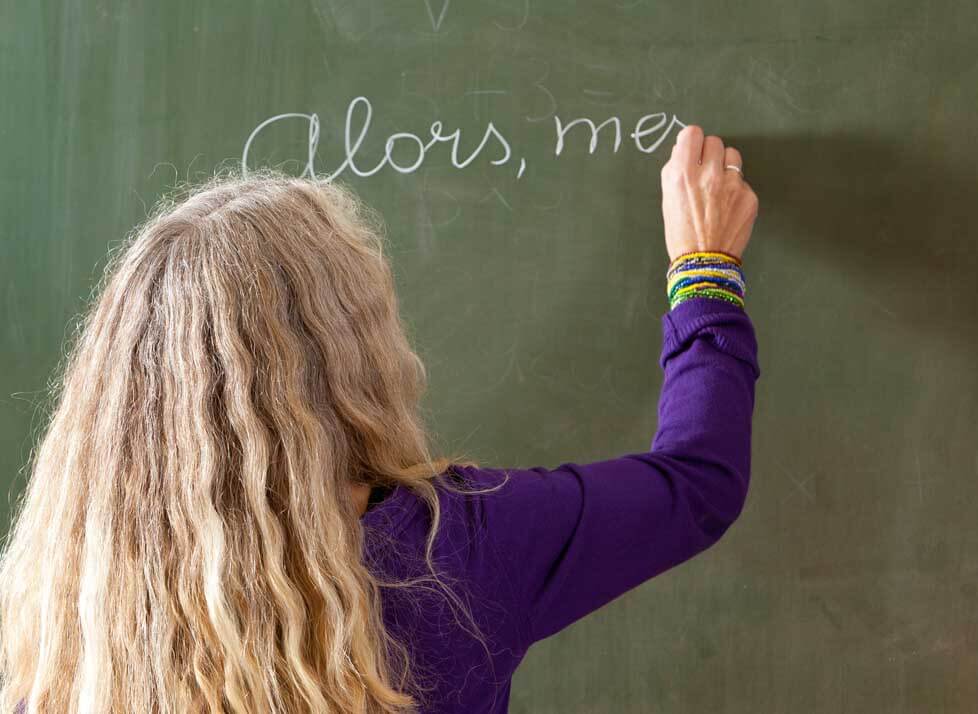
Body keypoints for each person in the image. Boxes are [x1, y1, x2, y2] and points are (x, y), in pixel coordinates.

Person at [0, 124, 759, 713]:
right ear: (354, 356)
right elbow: (697, 484)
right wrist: (703, 270)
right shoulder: (454, 552)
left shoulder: (63, 617)